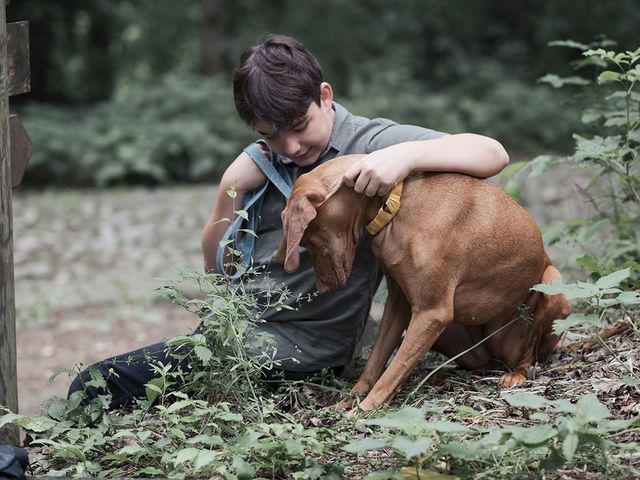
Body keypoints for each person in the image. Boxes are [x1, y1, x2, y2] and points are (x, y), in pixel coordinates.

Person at [68, 34, 508, 408]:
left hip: (304, 344)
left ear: (325, 96)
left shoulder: (370, 142)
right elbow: (214, 268)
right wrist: (230, 188)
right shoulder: (264, 161)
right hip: (236, 329)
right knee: (112, 382)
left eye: (300, 126)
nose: (292, 146)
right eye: (270, 134)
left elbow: (492, 153)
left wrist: (403, 156)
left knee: (97, 384)